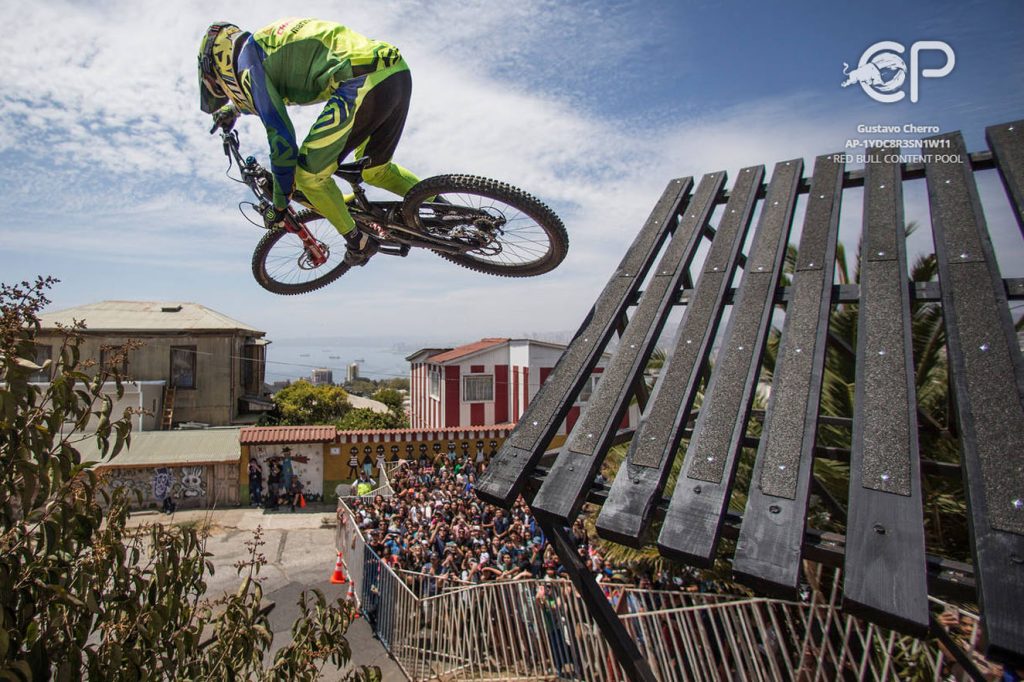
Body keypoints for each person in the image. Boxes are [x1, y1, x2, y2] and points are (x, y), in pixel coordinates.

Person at [198, 18, 421, 264]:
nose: (225, 90)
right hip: (394, 72)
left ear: (217, 62)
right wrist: (234, 111)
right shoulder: (262, 47)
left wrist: (280, 204)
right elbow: (266, 89)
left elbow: (281, 137)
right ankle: (452, 216)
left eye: (219, 87)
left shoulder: (247, 65)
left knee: (308, 175)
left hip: (360, 81)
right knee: (376, 171)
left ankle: (360, 243)